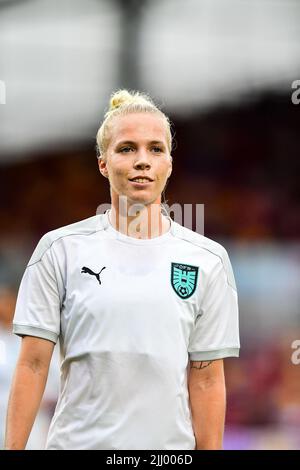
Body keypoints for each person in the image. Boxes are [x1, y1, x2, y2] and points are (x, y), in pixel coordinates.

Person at [5, 89, 240, 450]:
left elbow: (207, 379)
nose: (142, 160)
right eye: (127, 148)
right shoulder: (59, 250)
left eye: (155, 148)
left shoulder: (207, 260)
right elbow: (33, 365)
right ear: (103, 162)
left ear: (170, 163)